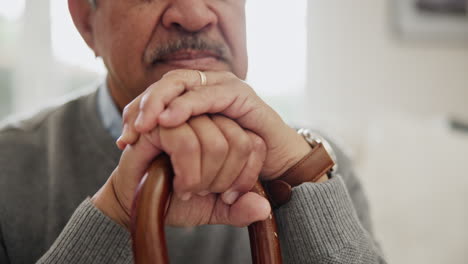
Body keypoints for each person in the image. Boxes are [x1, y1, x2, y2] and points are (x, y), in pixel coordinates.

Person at [0, 0, 385, 263]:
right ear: (86, 19)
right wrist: (116, 214)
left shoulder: (320, 167)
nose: (195, 14)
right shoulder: (7, 170)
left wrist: (300, 177)